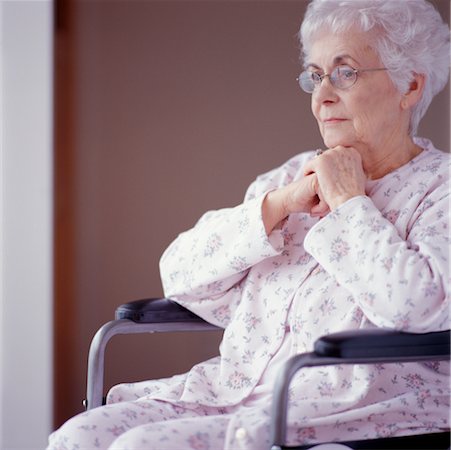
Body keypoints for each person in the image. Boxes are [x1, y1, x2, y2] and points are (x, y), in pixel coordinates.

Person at [48, 0, 450, 449]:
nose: (322, 96)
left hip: (342, 414)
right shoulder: (287, 179)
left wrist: (349, 202)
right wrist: (276, 206)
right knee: (78, 437)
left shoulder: (441, 191)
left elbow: (416, 305)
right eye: (316, 76)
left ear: (410, 84)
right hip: (227, 395)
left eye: (345, 72)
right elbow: (179, 275)